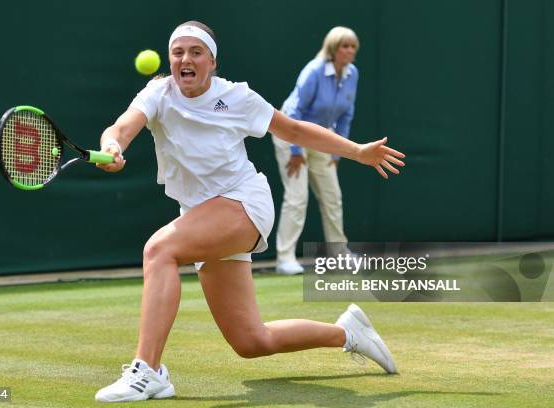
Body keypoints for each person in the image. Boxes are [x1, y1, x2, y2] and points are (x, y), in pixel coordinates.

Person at [93, 21, 405, 402]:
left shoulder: (236, 97)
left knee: (159, 250)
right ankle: (348, 333)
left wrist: (356, 151)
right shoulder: (158, 93)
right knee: (252, 340)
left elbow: (293, 130)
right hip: (203, 216)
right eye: (178, 52)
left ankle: (148, 371)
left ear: (212, 61)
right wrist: (112, 146)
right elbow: (122, 127)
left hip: (243, 203)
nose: (185, 59)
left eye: (196, 52)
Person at [273, 26, 361, 275]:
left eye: (353, 46)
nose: (350, 51)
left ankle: (339, 254)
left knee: (333, 197)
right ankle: (285, 259)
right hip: (291, 137)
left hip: (322, 140)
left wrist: (338, 151)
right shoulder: (313, 71)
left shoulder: (353, 74)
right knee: (297, 198)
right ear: (333, 48)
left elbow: (347, 114)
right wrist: (296, 150)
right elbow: (293, 112)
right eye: (345, 46)